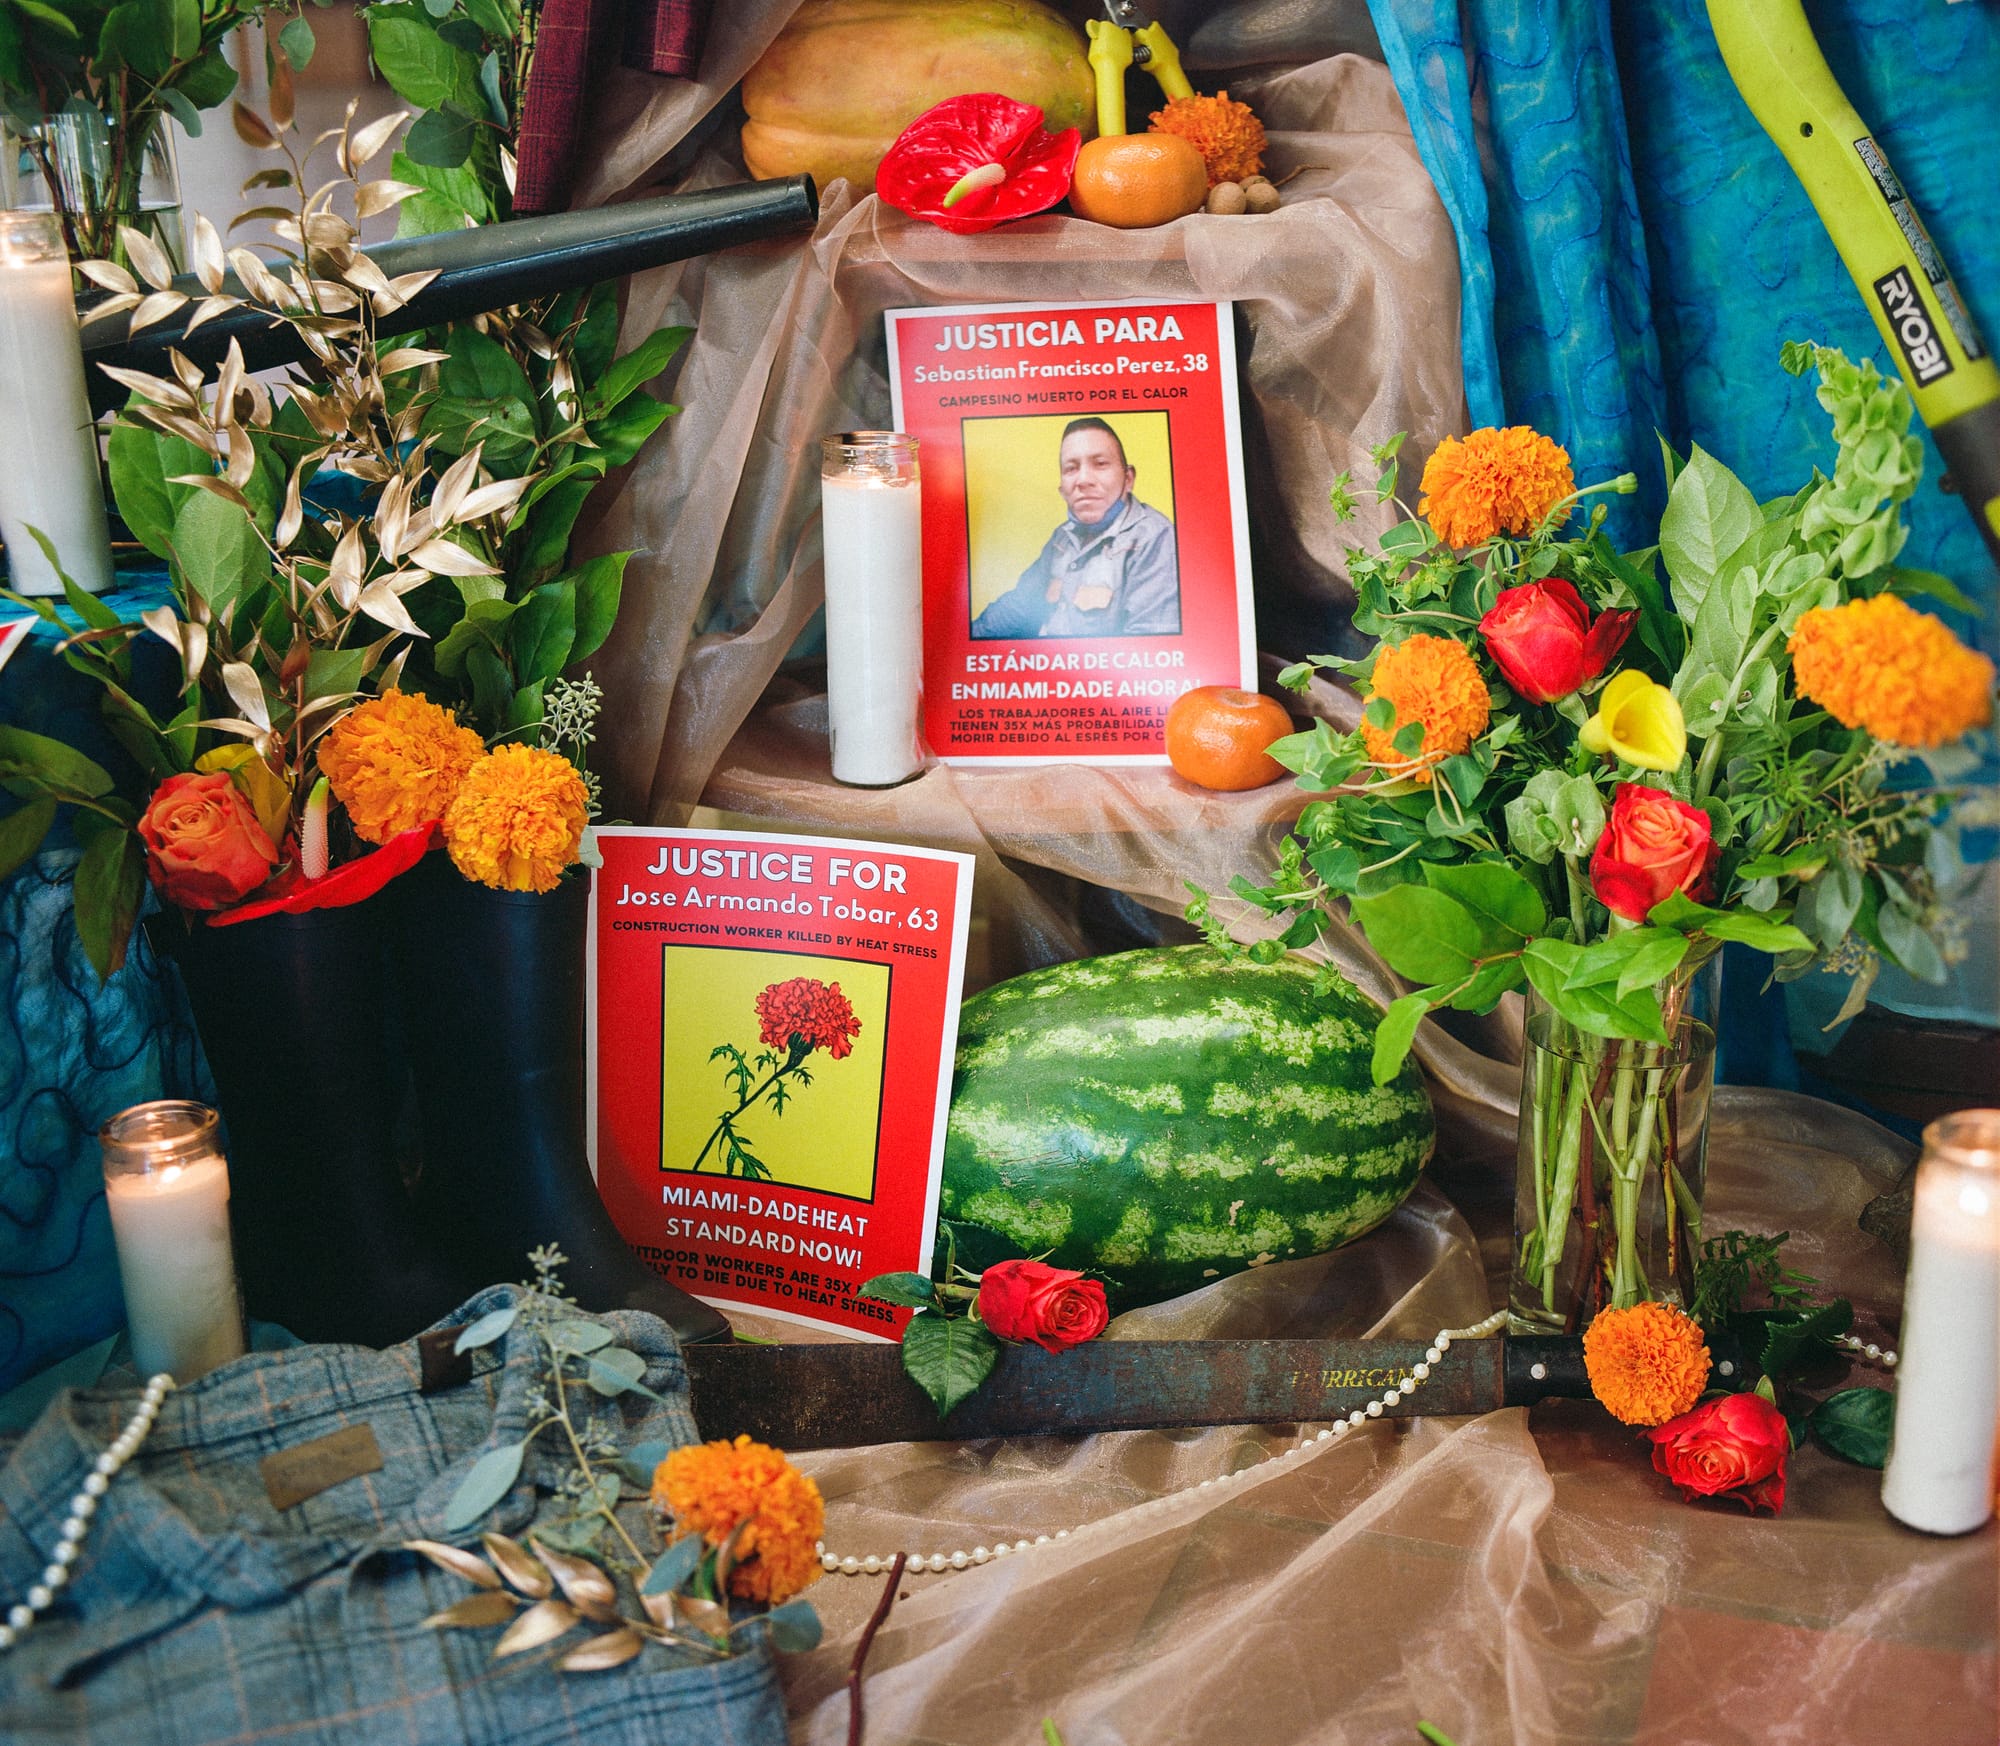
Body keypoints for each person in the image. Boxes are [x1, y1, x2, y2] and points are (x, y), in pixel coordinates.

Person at [970, 417, 1181, 638]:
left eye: (1100, 464)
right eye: (1071, 468)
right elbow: (1016, 609)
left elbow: (1150, 649)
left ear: (1128, 479)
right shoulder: (1062, 538)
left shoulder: (1155, 538)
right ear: (1062, 489)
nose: (1083, 480)